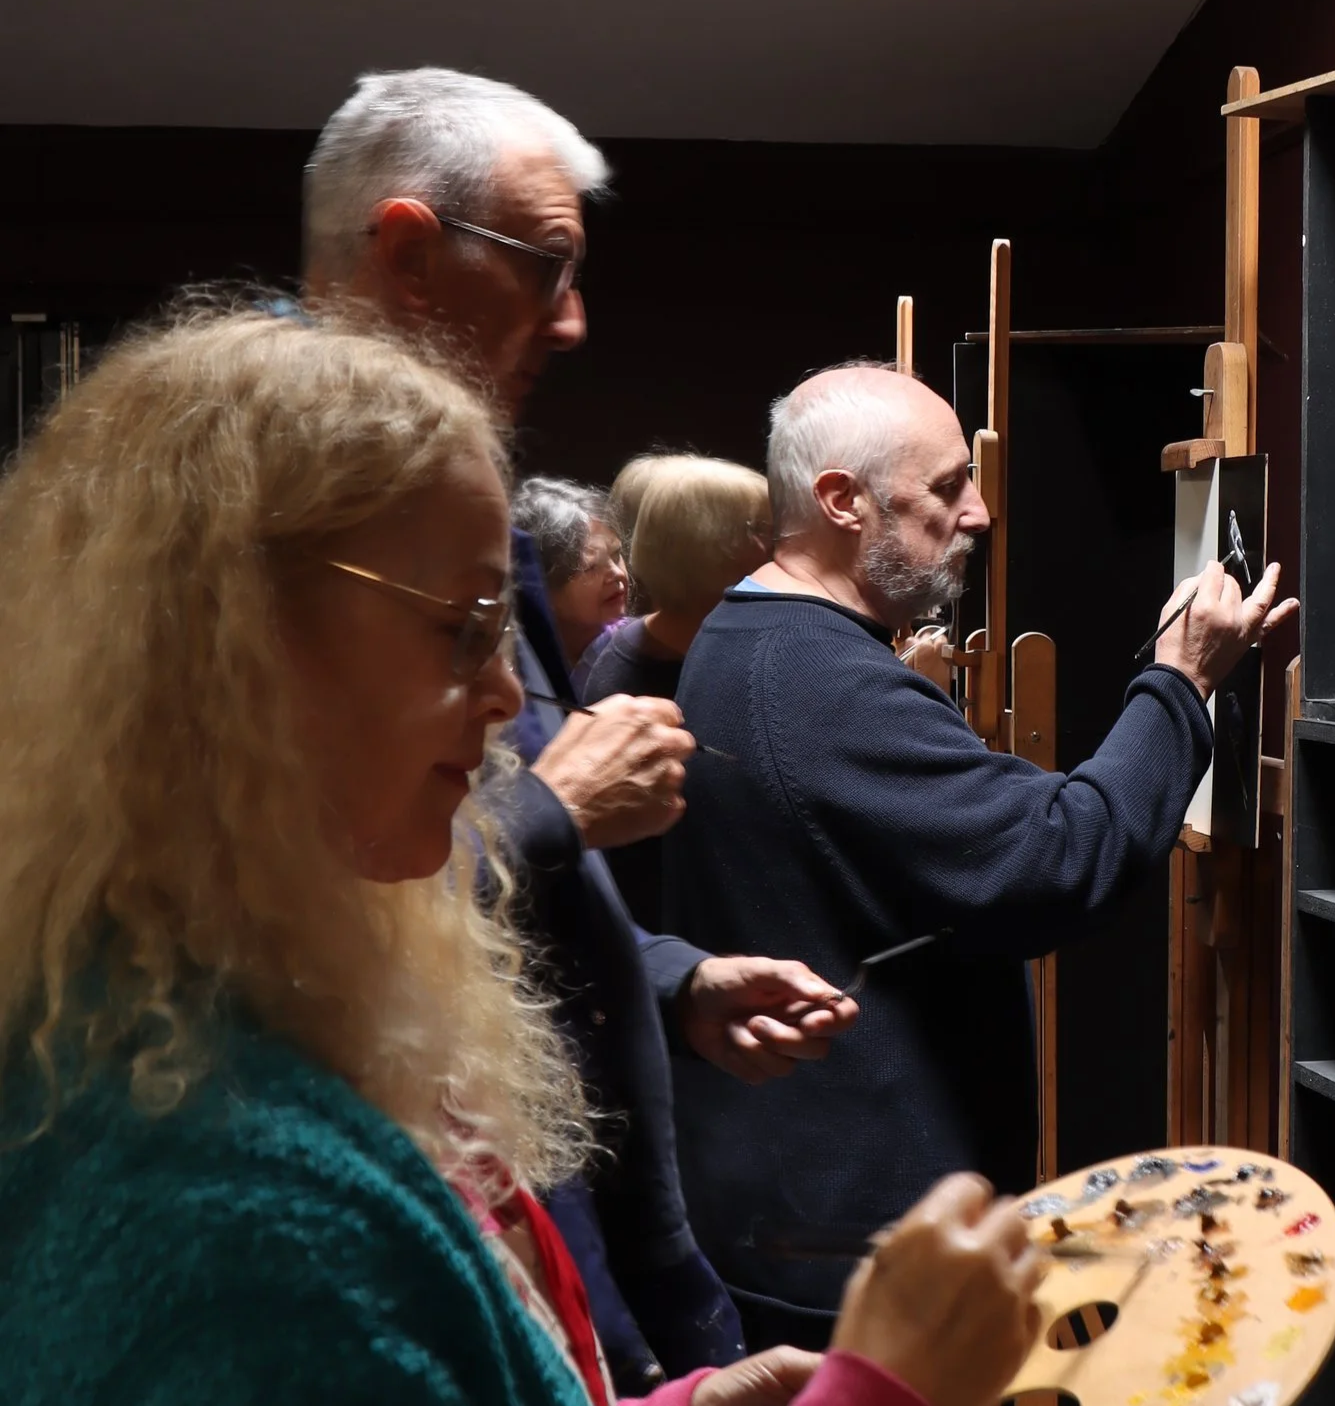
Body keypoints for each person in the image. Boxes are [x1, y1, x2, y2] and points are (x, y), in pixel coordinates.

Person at [0, 306, 1045, 1406]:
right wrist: (875, 1390)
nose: (506, 695)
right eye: (460, 628)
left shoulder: (231, 998)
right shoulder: (224, 1201)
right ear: (237, 653)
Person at [300, 66, 842, 1386]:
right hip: (425, 1241)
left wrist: (670, 976)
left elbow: (511, 874)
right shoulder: (271, 515)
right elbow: (275, 905)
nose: (575, 320)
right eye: (547, 266)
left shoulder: (459, 499)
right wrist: (554, 810)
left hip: (593, 1248)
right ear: (411, 254)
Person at [665, 364, 1296, 1347]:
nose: (980, 510)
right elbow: (1056, 858)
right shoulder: (815, 676)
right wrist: (1180, 680)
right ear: (842, 500)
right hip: (847, 1252)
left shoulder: (752, 638)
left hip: (808, 1214)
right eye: (950, 484)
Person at [583, 454, 773, 929]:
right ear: (716, 548)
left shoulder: (677, 642)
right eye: (763, 528)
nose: (777, 543)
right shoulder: (635, 685)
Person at [511, 475, 632, 682]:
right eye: (590, 567)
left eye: (616, 554)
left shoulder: (640, 648)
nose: (618, 574)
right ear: (543, 585)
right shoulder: (518, 672)